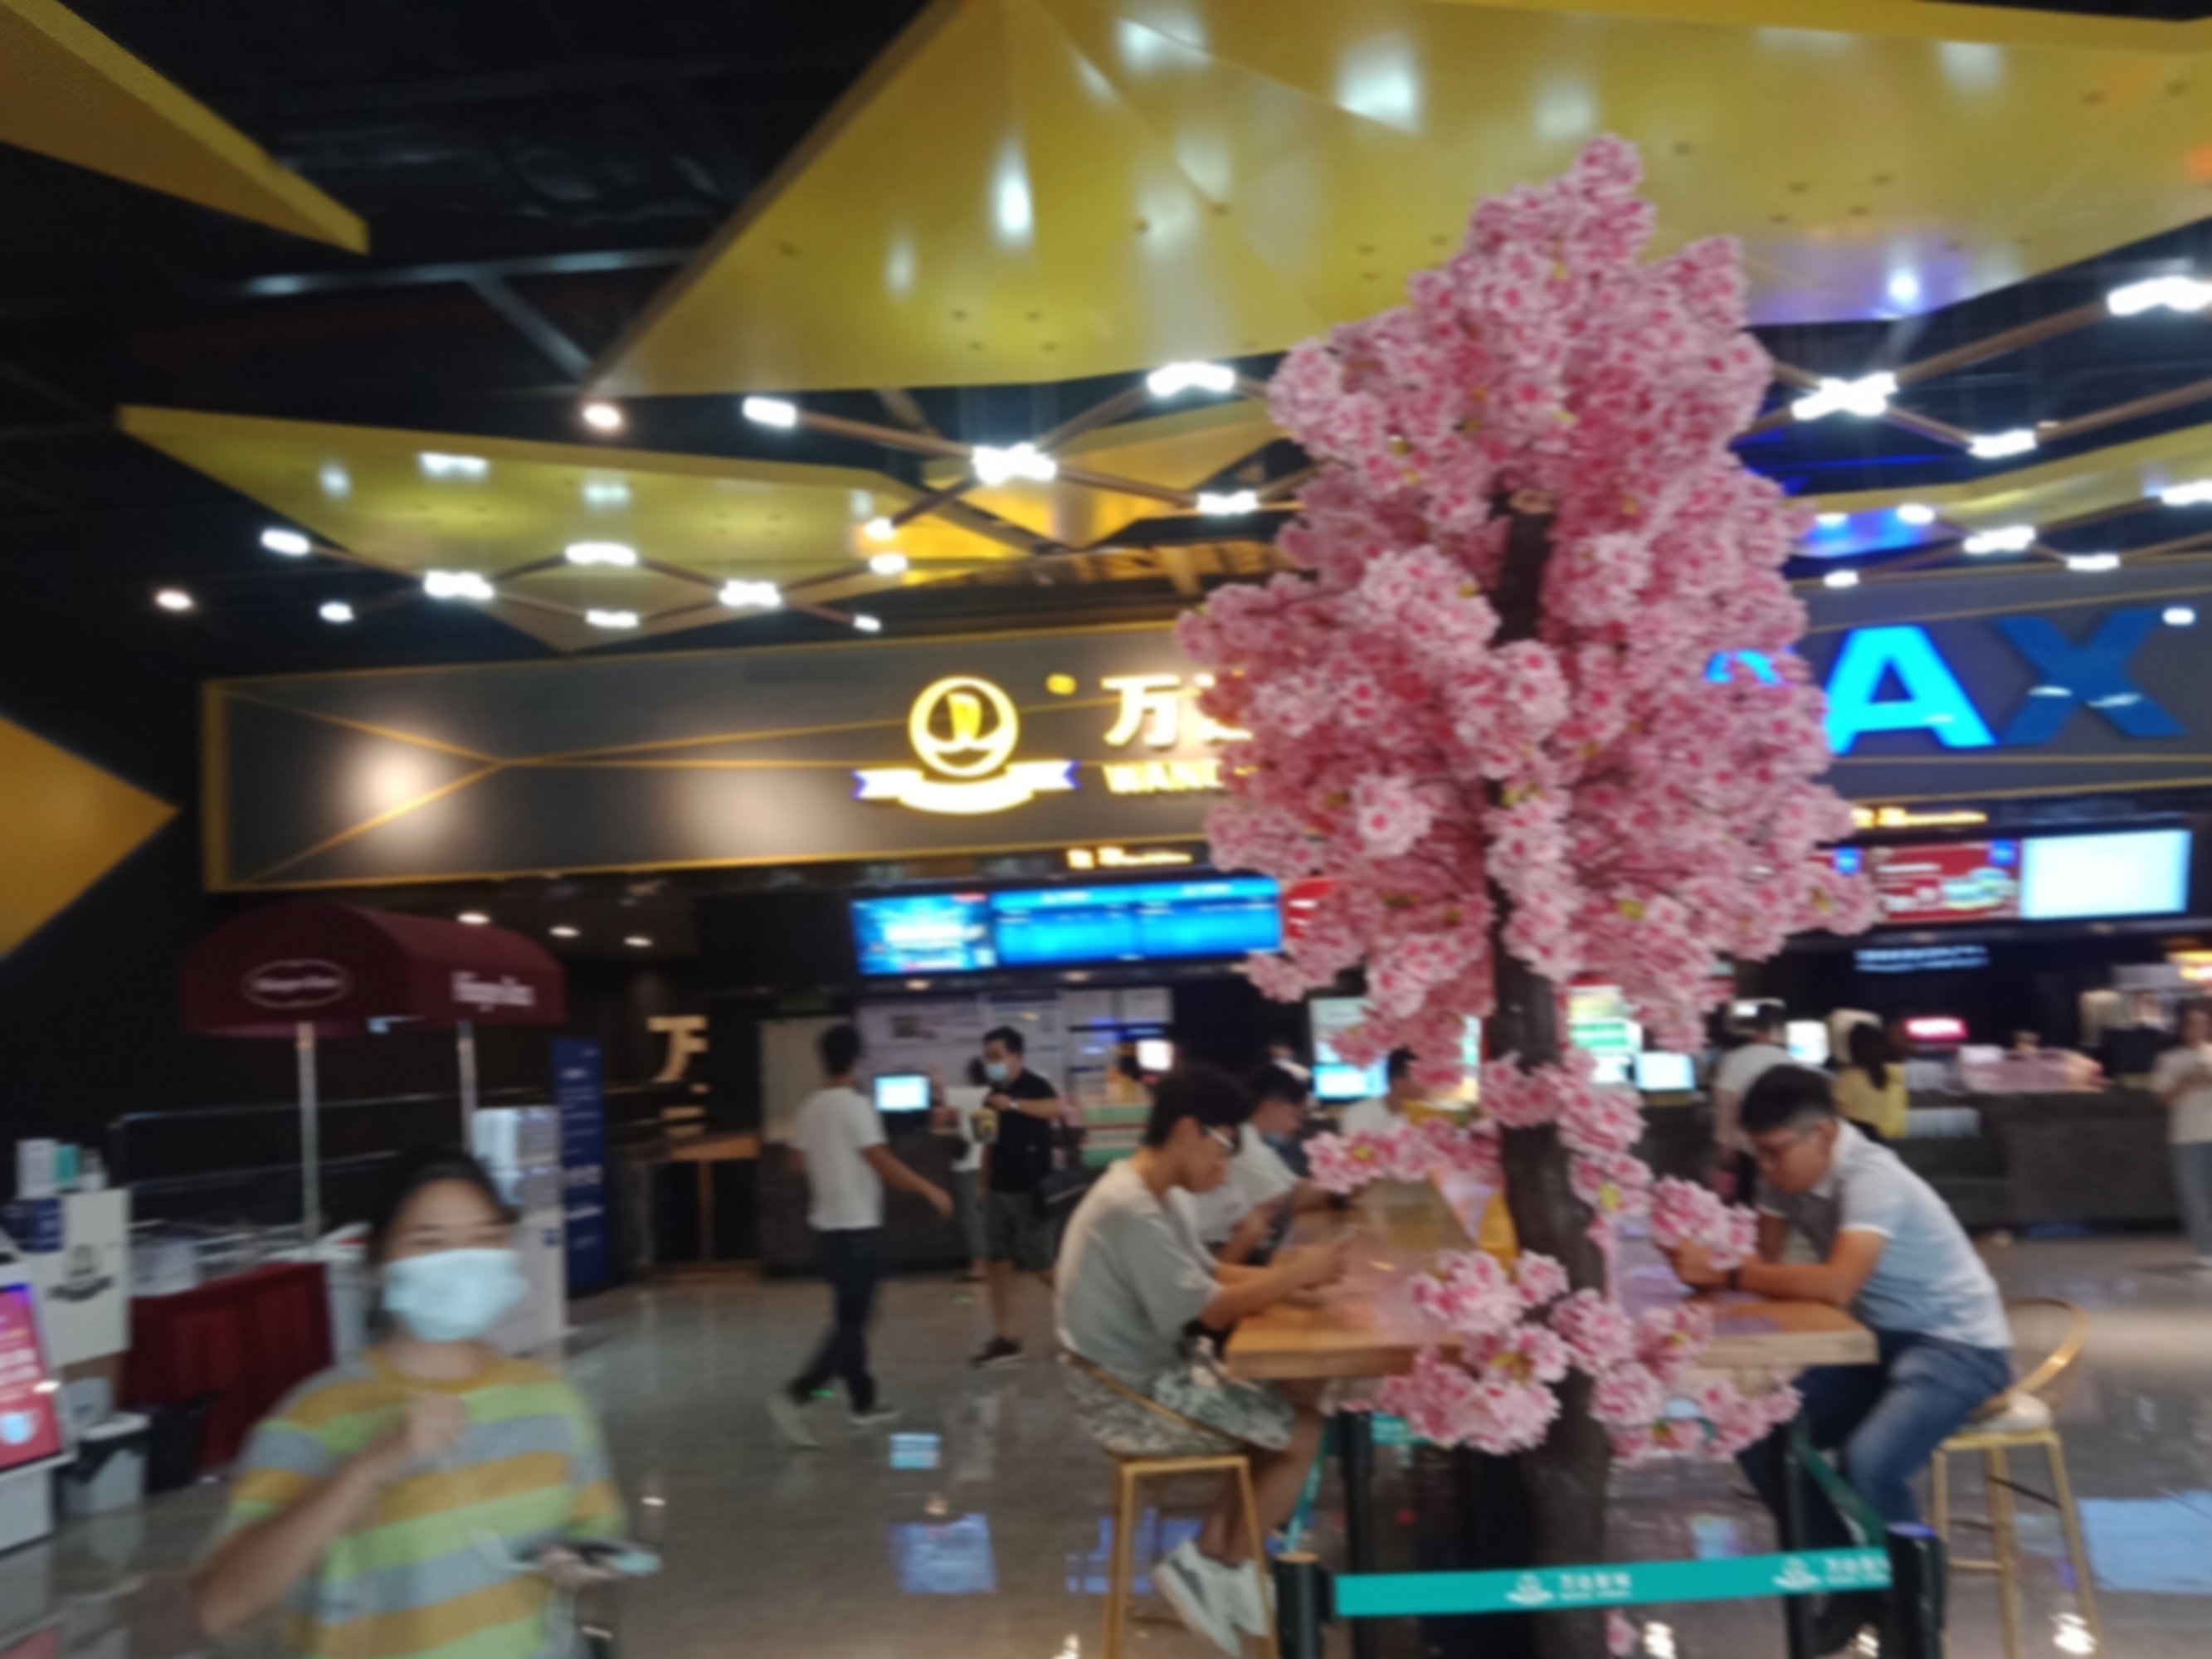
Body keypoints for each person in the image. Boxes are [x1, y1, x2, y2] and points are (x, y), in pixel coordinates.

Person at [192, 1151, 627, 1657]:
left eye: (486, 1238)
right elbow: (219, 1606)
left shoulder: (551, 1401)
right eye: (431, 1243)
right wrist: (367, 1469)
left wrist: (582, 1566)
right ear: (379, 1261)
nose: (464, 1262)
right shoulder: (317, 1415)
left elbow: (597, 1536)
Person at [1669, 1066, 2011, 1656]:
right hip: (1877, 1344)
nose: (1767, 1169)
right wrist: (1704, 1261)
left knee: (1869, 1462)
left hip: (1960, 1347)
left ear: (1824, 1134)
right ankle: (1850, 1581)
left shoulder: (1873, 1178)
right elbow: (1765, 1265)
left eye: (1776, 1153)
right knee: (1757, 1433)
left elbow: (1835, 1284)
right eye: (1758, 1154)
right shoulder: (1785, 1174)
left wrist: (1724, 1272)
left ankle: (1915, 1617)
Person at [1056, 1066, 1351, 1657]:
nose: (1226, 1167)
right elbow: (1212, 1310)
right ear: (1188, 1130)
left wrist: (1297, 1282)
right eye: (1224, 1147)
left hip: (1150, 1374)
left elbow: (1210, 1273)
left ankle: (1214, 1557)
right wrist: (1297, 1274)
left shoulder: (1156, 1194)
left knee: (1287, 1403)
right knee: (1308, 1432)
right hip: (1128, 1396)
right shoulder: (1130, 1210)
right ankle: (1225, 1566)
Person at [769, 1024, 953, 1448]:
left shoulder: (810, 1108)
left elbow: (795, 1163)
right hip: (858, 1231)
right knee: (852, 1327)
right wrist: (929, 1188)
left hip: (826, 1233)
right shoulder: (856, 1107)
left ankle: (863, 1403)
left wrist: (829, 1161)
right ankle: (796, 1395)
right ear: (856, 1060)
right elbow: (883, 1164)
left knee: (849, 1321)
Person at [973, 1024, 1065, 1370]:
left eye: (996, 1056)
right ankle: (1006, 1338)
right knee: (998, 1264)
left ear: (1017, 1057)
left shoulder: (1036, 1086)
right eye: (987, 1057)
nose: (991, 1063)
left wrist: (1012, 1104)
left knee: (1042, 1265)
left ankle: (1093, 1316)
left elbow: (1053, 1109)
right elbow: (987, 1143)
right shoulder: (989, 1096)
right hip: (998, 1191)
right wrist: (982, 1182)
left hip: (1031, 1191)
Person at [1178, 1063, 1330, 1263]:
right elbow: (1285, 1201)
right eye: (1295, 1115)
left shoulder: (1253, 1140)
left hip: (1226, 1249)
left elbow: (1295, 1188)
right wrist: (1342, 1182)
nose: (1297, 1125)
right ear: (1271, 1105)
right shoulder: (1241, 1142)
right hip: (1214, 1249)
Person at [2151, 1000, 2212, 1270]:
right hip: (2186, 1137)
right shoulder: (2169, 1060)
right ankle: (2206, 1249)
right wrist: (2186, 1083)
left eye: (2204, 1024)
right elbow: (2161, 1099)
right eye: (2193, 1024)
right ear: (2184, 1028)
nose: (2199, 1030)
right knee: (2195, 1196)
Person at [1711, 1003, 1791, 1199]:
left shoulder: (1734, 1059)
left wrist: (1725, 1148)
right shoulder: (1789, 1061)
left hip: (1745, 1146)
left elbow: (1726, 1107)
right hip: (1781, 1147)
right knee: (1775, 1202)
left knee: (1744, 1199)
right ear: (1776, 1031)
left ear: (1753, 1029)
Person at [939, 1058, 992, 1282]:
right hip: (988, 1164)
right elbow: (986, 1136)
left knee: (972, 1218)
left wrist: (937, 1074)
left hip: (969, 1164)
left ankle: (979, 1266)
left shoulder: (968, 1095)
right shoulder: (991, 1095)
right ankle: (990, 1263)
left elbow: (940, 1092)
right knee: (985, 1217)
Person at [1833, 1022, 1908, 1144]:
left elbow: (1836, 1112)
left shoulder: (1848, 1077)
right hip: (1885, 1138)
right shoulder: (1889, 1075)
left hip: (1856, 1140)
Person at [1340, 1048, 1430, 1136]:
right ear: (1399, 1083)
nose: (1429, 1086)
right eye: (1423, 1078)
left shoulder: (1429, 1116)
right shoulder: (1359, 1114)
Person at [2102, 990, 2171, 1083]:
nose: (2145, 1009)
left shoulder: (2159, 1036)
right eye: (2142, 1004)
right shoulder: (2118, 1037)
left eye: (2150, 1004)